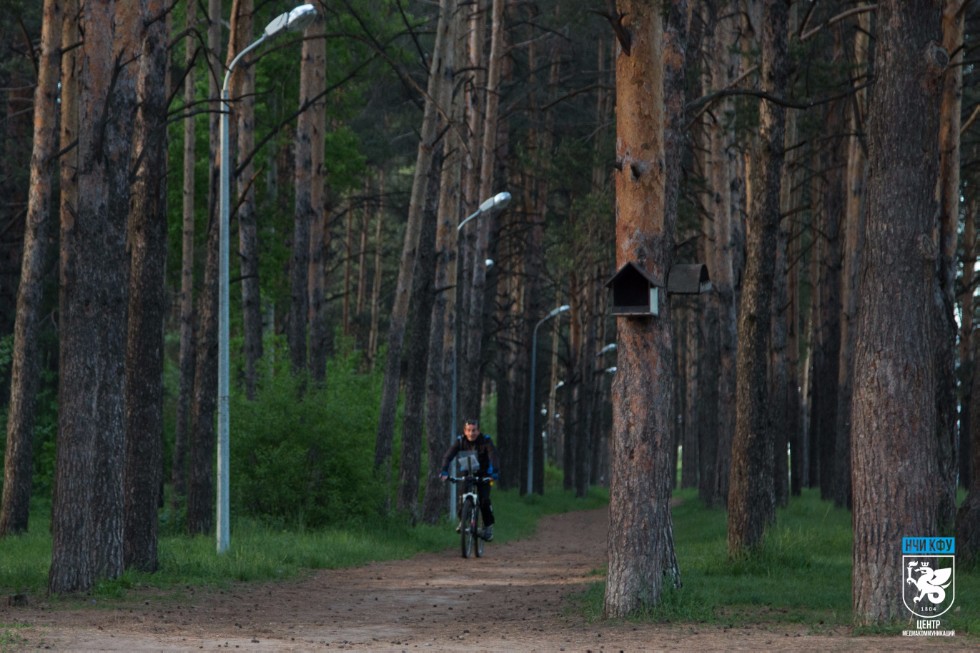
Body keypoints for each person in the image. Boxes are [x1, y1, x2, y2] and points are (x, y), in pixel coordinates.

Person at [439, 418, 499, 541]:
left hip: (484, 474)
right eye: (469, 430)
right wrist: (444, 470)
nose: (471, 433)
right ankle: (463, 521)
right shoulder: (460, 441)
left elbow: (493, 456)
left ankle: (488, 527)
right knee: (463, 497)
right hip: (468, 474)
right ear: (465, 431)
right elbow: (448, 455)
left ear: (479, 431)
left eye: (474, 430)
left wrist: (494, 472)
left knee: (484, 500)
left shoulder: (486, 441)